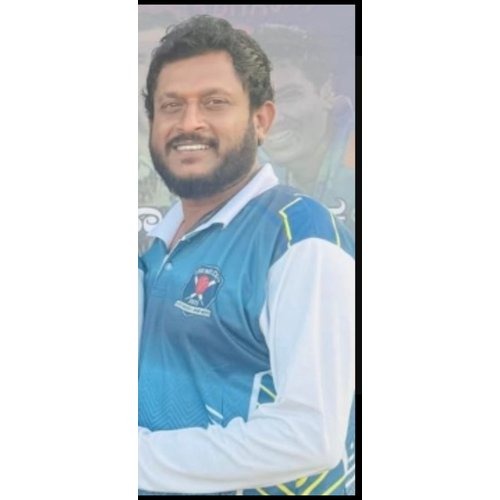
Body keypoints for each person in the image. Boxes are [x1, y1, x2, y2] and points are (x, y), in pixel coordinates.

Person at [138, 15, 355, 495]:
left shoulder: (301, 236)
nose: (189, 122)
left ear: (261, 120)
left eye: (214, 102)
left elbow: (309, 438)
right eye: (171, 105)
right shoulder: (156, 246)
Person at [253, 24, 356, 237]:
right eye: (257, 102)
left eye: (289, 96)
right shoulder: (248, 172)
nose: (274, 119)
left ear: (327, 93)